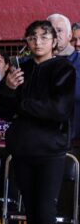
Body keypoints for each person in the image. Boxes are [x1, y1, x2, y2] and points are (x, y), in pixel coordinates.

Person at [0, 20, 76, 224]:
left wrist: (22, 105)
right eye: (32, 37)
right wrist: (8, 89)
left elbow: (58, 109)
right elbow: (7, 113)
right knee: (31, 213)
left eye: (44, 37)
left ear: (55, 41)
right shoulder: (20, 69)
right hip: (23, 149)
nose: (38, 42)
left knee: (46, 211)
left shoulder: (63, 68)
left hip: (50, 151)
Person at [48, 14, 80, 144]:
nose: (55, 34)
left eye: (60, 30)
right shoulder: (34, 63)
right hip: (45, 140)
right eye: (51, 31)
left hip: (76, 140)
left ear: (69, 35)